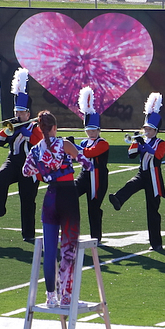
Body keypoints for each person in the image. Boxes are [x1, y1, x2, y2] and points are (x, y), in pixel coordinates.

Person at [22, 111, 92, 308]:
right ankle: (67, 297)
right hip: (68, 197)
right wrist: (74, 155)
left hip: (50, 198)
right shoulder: (64, 144)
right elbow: (86, 164)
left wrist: (44, 171)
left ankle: (51, 296)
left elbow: (26, 171)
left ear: (39, 128)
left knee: (50, 250)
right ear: (54, 127)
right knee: (68, 249)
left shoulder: (36, 149)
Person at [108, 93, 165, 251]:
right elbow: (131, 155)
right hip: (142, 174)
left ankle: (156, 243)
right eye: (145, 128)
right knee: (131, 184)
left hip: (154, 177)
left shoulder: (161, 143)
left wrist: (144, 145)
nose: (146, 131)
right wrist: (136, 142)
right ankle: (118, 199)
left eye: (149, 129)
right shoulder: (142, 140)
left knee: (152, 211)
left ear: (155, 130)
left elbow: (158, 155)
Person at [0, 68, 43, 241]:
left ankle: (28, 234)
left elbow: (40, 143)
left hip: (30, 165)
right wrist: (8, 130)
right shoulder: (12, 124)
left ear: (28, 113)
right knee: (1, 177)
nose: (18, 115)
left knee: (27, 200)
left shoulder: (35, 126)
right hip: (13, 161)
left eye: (21, 112)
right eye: (16, 112)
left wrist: (28, 134)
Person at [73, 87, 109, 242]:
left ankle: (96, 238)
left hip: (98, 179)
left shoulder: (103, 143)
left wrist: (73, 146)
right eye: (88, 130)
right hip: (84, 176)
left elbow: (90, 153)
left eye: (93, 130)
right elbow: (80, 158)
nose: (91, 133)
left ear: (99, 130)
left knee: (93, 209)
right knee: (69, 194)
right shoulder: (83, 142)